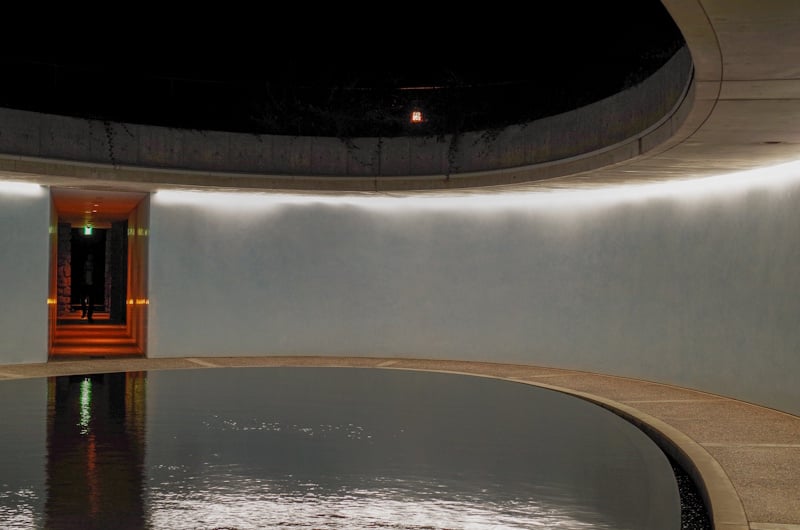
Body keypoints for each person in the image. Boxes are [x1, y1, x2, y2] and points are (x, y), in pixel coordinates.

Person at [80, 254, 94, 322]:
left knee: (91, 301)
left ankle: (89, 315)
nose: (90, 257)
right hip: (84, 284)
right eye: (89, 256)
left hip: (91, 284)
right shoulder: (84, 265)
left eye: (91, 256)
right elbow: (82, 273)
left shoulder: (94, 265)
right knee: (83, 299)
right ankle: (84, 311)